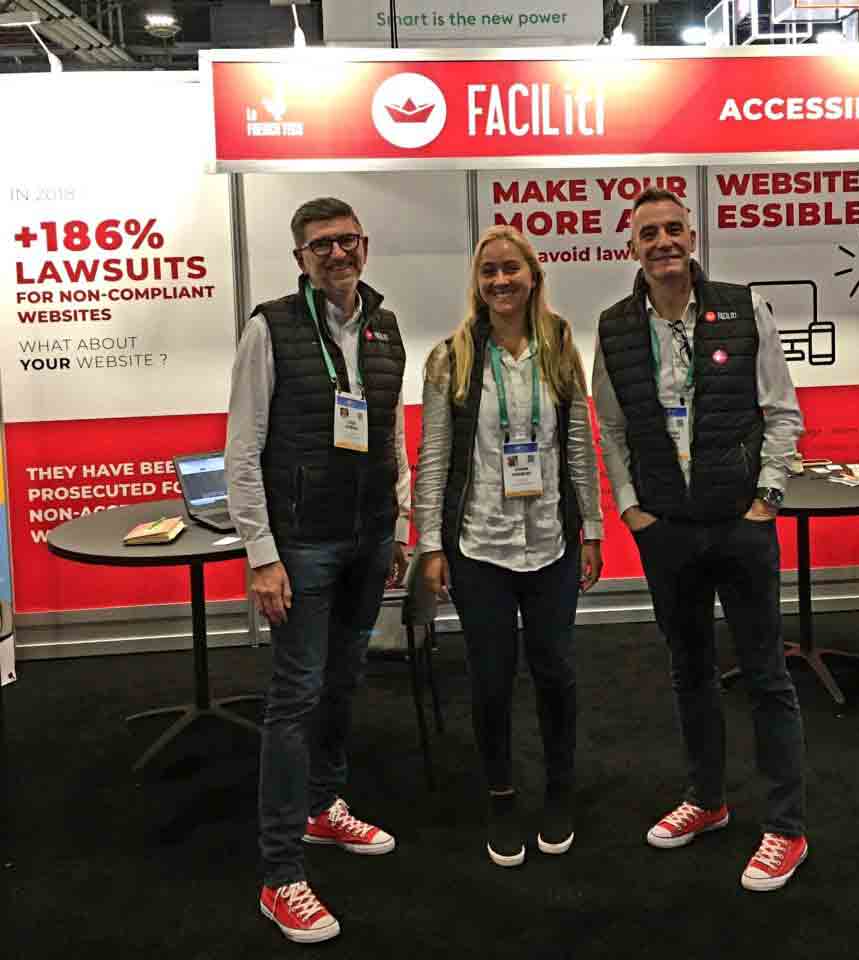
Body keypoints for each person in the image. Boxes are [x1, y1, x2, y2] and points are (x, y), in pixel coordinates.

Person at [591, 187, 808, 892]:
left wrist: (766, 498)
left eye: (673, 229)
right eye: (648, 232)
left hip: (740, 526)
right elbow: (614, 430)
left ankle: (785, 827)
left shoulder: (744, 309)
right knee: (689, 673)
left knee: (767, 675)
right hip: (667, 532)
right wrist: (630, 509)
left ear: (693, 236)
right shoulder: (615, 325)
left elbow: (781, 412)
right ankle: (707, 800)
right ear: (632, 247)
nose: (662, 242)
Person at [226, 197, 410, 943]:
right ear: (299, 257)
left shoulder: (384, 326)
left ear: (364, 245)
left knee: (344, 681)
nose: (336, 254)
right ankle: (280, 875)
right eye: (319, 245)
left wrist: (396, 522)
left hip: (367, 537)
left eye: (346, 241)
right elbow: (243, 450)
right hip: (301, 544)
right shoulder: (270, 327)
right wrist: (262, 555)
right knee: (294, 698)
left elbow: (389, 431)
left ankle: (323, 809)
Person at [415, 225, 603, 868]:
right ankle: (500, 795)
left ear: (533, 276)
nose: (500, 282)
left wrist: (594, 529)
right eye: (489, 272)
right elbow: (433, 456)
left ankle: (558, 790)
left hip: (551, 542)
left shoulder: (560, 345)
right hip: (478, 548)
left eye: (511, 270)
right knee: (491, 679)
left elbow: (578, 445)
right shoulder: (451, 356)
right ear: (478, 282)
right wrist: (429, 546)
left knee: (555, 672)